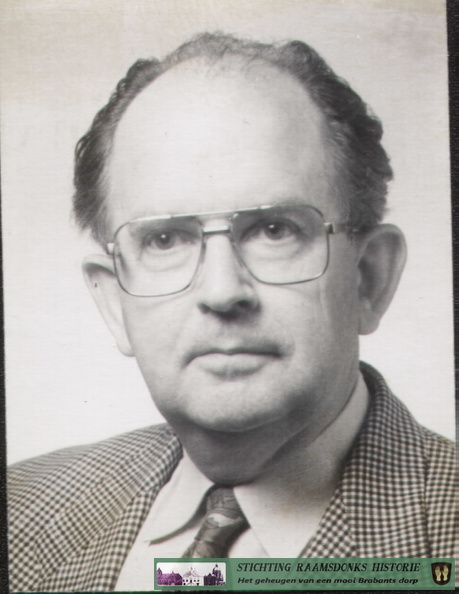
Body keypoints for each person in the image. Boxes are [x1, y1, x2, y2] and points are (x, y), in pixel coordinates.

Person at [8, 33, 456, 592]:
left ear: (370, 278)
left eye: (274, 230)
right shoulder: (19, 511)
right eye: (165, 239)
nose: (222, 292)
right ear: (114, 300)